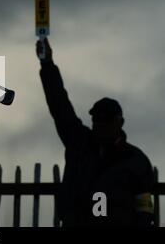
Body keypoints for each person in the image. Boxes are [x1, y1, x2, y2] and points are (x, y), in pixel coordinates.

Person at [36, 38, 154, 227]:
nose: (100, 124)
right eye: (97, 119)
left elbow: (144, 208)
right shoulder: (79, 143)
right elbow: (59, 105)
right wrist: (47, 64)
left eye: (106, 119)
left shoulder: (136, 161)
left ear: (119, 122)